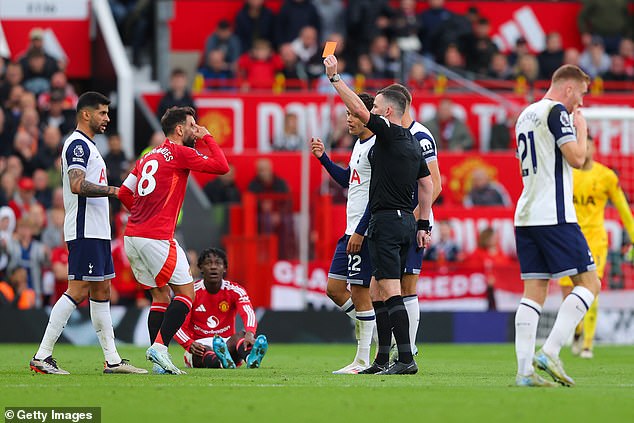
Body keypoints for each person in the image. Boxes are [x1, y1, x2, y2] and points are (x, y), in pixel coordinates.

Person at [324, 53, 433, 375]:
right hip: (406, 222)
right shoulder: (414, 143)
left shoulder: (388, 134)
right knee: (375, 290)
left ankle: (405, 359)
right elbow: (426, 185)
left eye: (375, 109)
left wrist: (335, 77)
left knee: (389, 290)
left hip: (385, 221)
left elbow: (358, 109)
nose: (369, 113)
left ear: (386, 112)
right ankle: (382, 360)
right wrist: (424, 223)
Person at [30, 91, 147, 375]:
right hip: (84, 229)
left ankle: (113, 360)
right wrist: (116, 191)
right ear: (86, 114)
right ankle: (42, 356)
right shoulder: (78, 145)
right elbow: (77, 185)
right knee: (79, 289)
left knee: (101, 288)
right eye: (102, 113)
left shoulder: (91, 146)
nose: (107, 118)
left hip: (97, 230)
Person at [118, 106, 229, 375]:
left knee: (159, 296)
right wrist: (207, 137)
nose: (196, 129)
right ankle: (159, 348)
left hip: (132, 236)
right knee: (186, 294)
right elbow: (221, 166)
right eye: (192, 125)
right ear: (179, 130)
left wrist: (142, 212)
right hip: (157, 236)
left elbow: (123, 192)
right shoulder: (180, 152)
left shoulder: (147, 156)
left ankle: (159, 363)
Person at [513, 65, 600, 387]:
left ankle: (524, 372)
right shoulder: (557, 112)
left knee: (534, 291)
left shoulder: (526, 114)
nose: (580, 102)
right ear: (568, 89)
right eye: (580, 94)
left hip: (526, 214)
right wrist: (582, 128)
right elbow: (578, 159)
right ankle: (550, 350)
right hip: (555, 215)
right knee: (589, 284)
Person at [310, 92, 376, 374]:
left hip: (363, 230)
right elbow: (348, 179)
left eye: (351, 113)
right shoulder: (359, 145)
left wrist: (361, 230)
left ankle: (362, 359)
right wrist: (324, 158)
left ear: (364, 113)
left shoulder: (377, 146)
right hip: (349, 231)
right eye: (347, 114)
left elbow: (378, 194)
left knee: (361, 292)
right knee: (335, 290)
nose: (348, 119)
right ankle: (369, 326)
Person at [558, 135, 634, 359]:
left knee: (592, 287)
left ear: (592, 148)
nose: (583, 149)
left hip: (595, 239)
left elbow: (622, 208)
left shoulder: (606, 176)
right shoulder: (566, 173)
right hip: (569, 237)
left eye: (587, 145)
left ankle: (588, 345)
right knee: (567, 290)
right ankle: (578, 330)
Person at [383, 83, 442, 359]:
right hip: (392, 221)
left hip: (411, 222)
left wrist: (418, 221)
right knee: (386, 284)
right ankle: (393, 347)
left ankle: (409, 347)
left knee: (407, 284)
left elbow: (435, 185)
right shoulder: (391, 135)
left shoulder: (421, 136)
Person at [174, 248, 268, 370]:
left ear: (224, 268)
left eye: (218, 263)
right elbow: (177, 325)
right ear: (201, 268)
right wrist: (189, 344)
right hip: (200, 344)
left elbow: (248, 312)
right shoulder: (191, 292)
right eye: (208, 263)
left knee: (241, 335)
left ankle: (251, 358)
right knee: (204, 351)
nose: (213, 267)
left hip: (227, 345)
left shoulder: (235, 290)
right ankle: (220, 361)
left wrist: (250, 334)